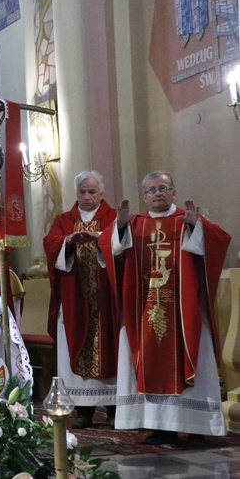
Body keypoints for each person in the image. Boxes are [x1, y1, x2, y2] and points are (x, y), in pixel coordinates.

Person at [99, 170, 230, 444]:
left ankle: (198, 428)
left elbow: (219, 242)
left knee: (192, 357)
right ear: (144, 196)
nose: (157, 193)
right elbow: (110, 252)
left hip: (185, 311)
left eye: (163, 188)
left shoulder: (187, 219)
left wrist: (197, 228)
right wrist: (120, 228)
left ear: (174, 192)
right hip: (144, 309)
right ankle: (160, 426)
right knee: (149, 361)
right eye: (151, 189)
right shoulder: (134, 223)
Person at [43, 171, 118, 429]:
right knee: (74, 344)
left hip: (107, 299)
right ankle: (83, 410)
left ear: (102, 193)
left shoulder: (113, 218)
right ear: (76, 194)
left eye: (92, 192)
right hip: (74, 298)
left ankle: (113, 408)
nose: (87, 197)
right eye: (82, 192)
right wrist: (68, 241)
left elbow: (124, 247)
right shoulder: (64, 220)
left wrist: (103, 241)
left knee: (111, 346)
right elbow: (50, 244)